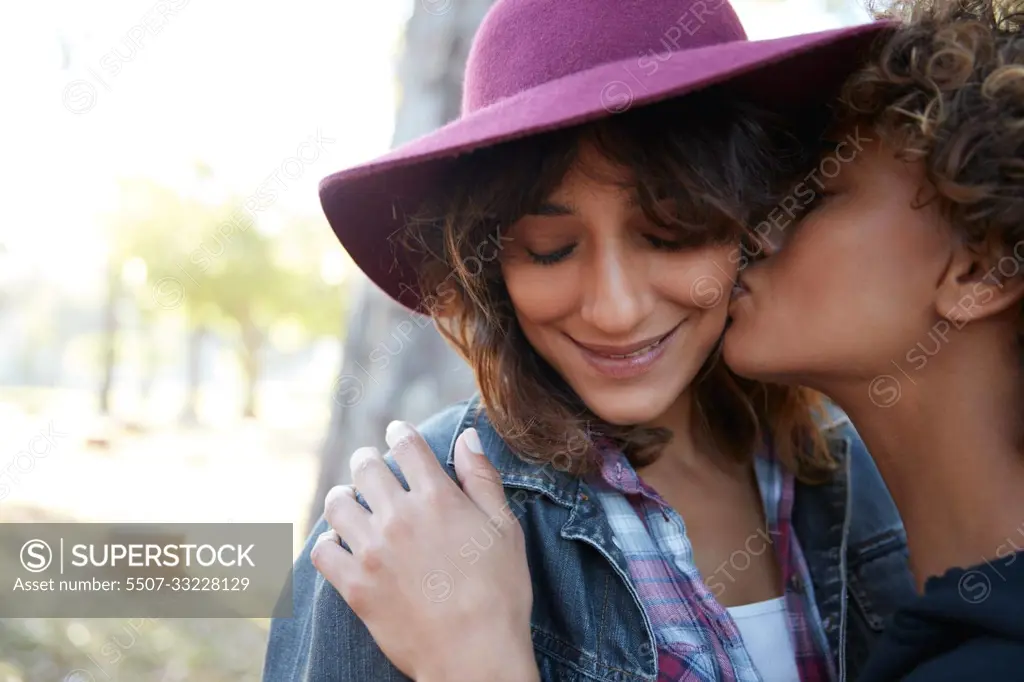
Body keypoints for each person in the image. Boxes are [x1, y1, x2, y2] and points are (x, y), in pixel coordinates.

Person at [288, 0, 1024, 681]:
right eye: (547, 249)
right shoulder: (410, 528)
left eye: (672, 234)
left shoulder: (860, 485)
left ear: (750, 212)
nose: (614, 310)